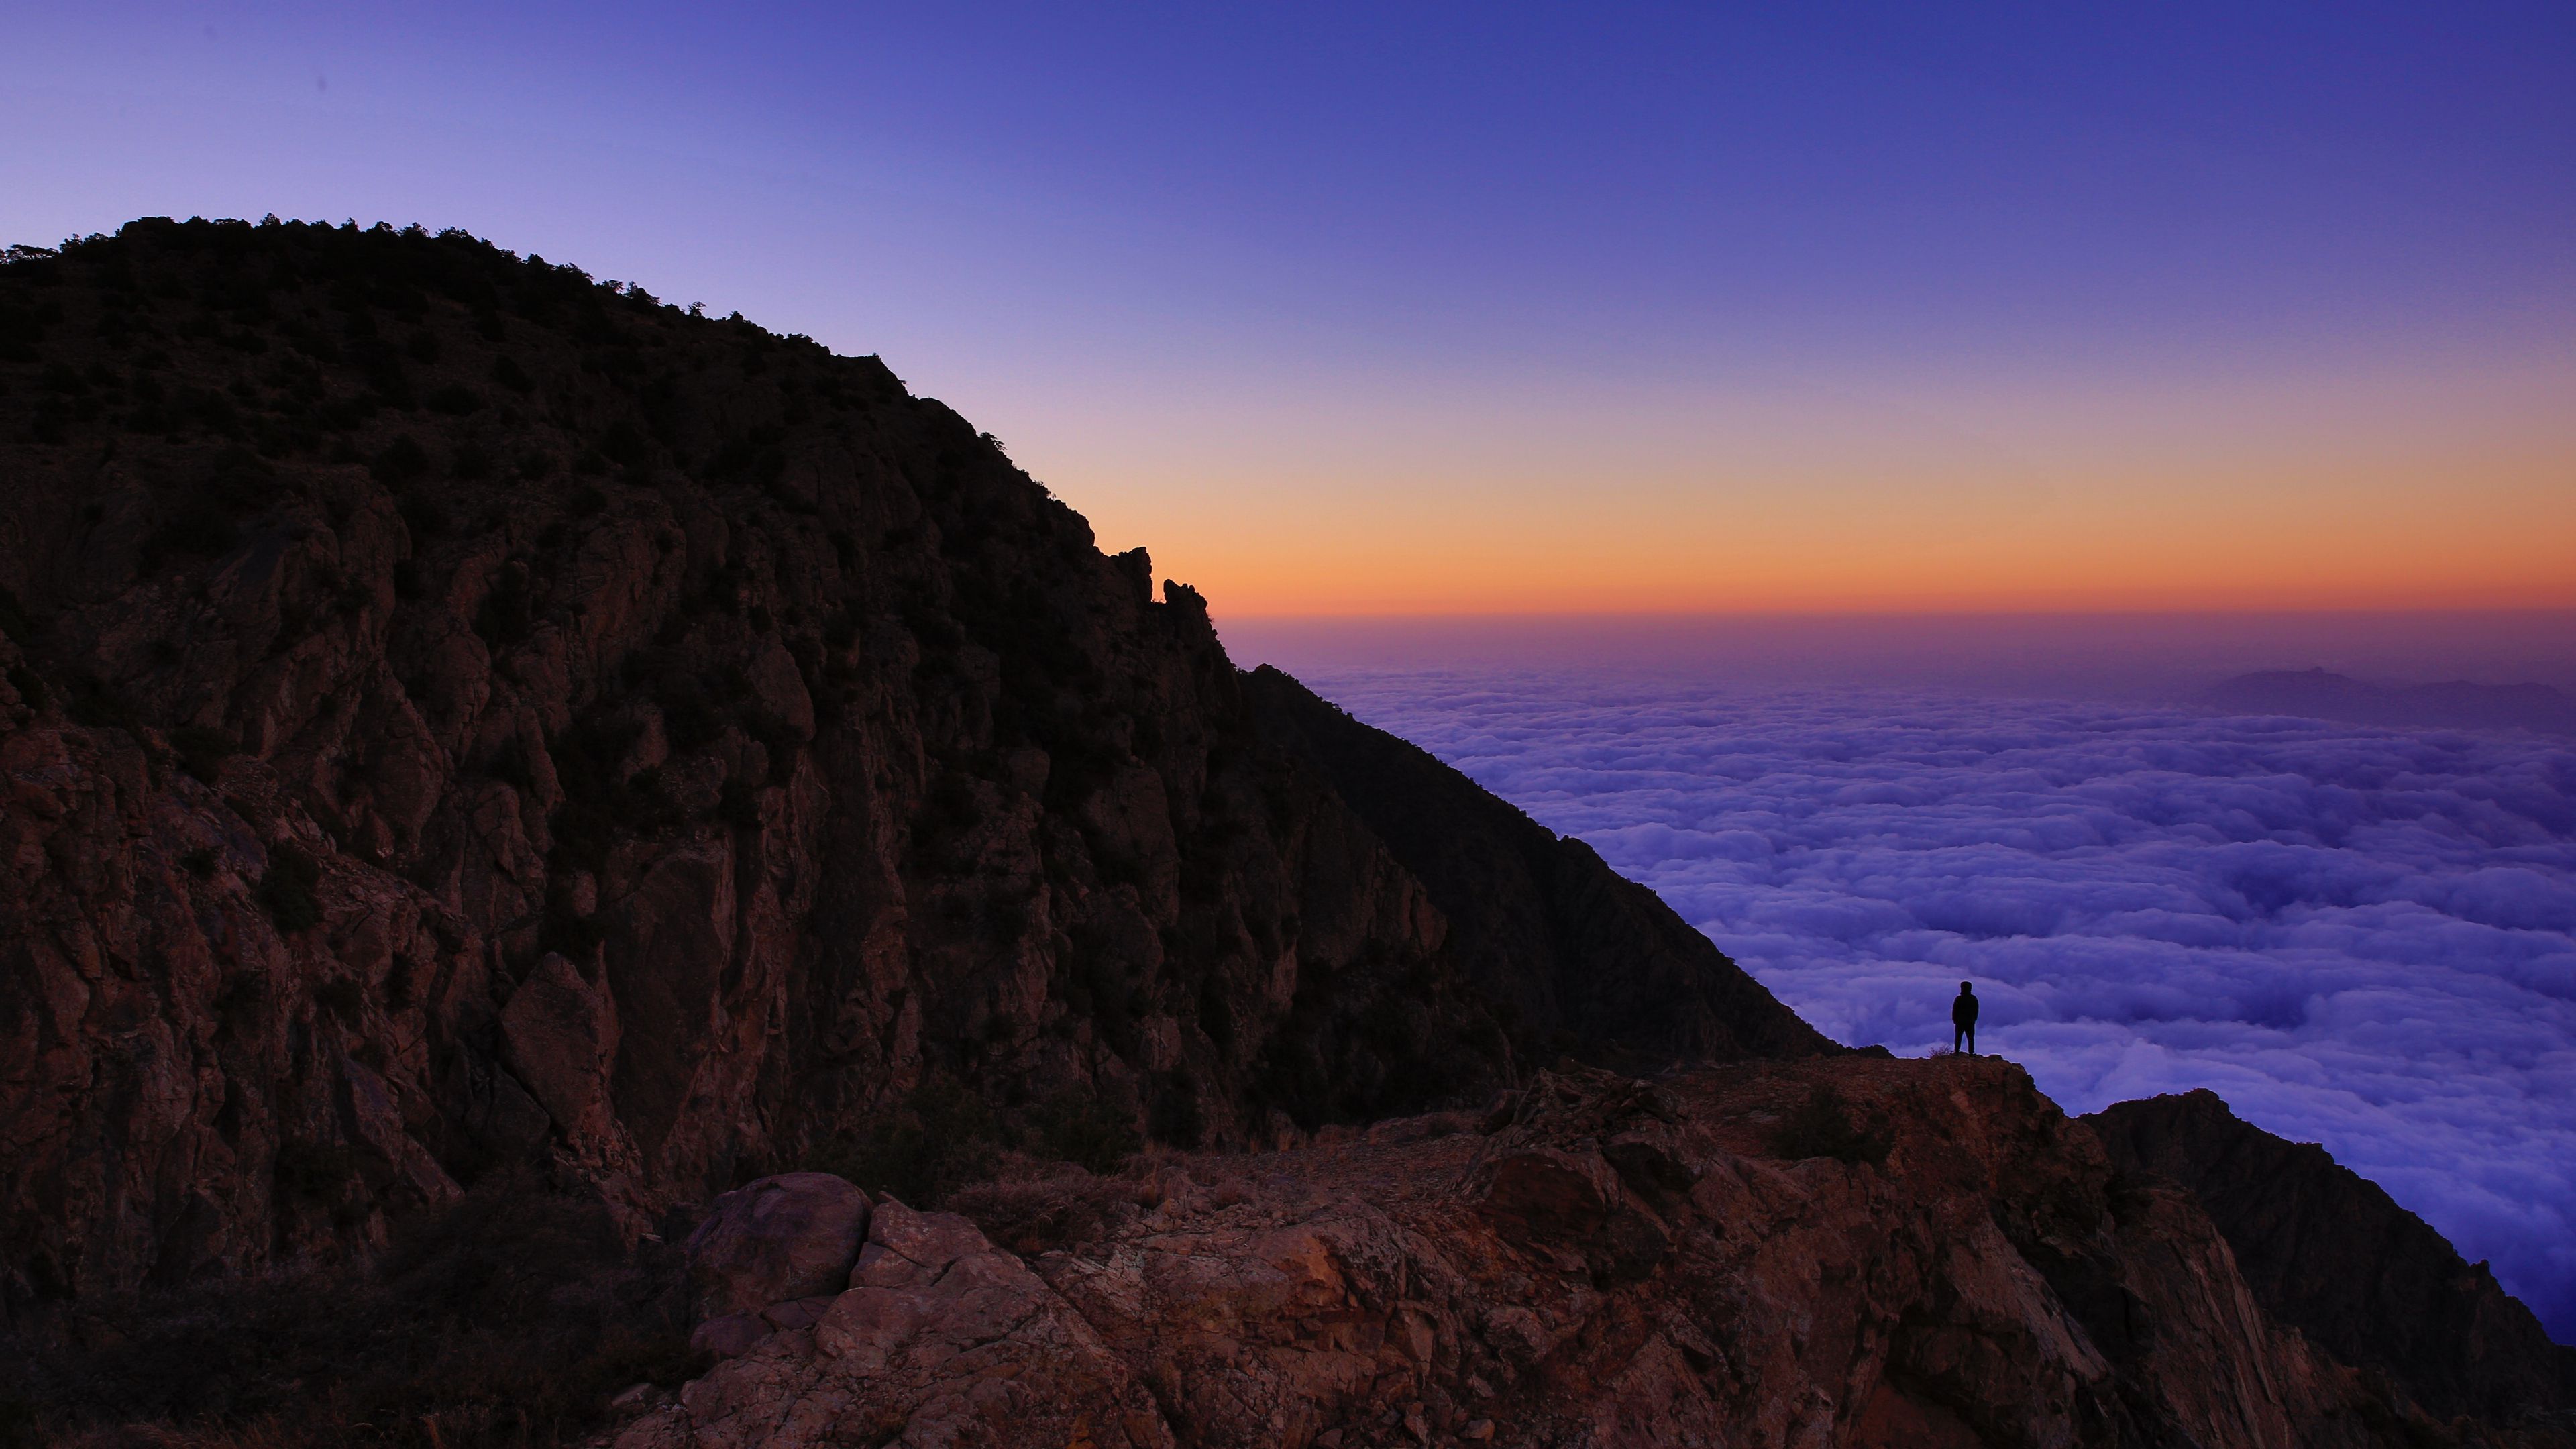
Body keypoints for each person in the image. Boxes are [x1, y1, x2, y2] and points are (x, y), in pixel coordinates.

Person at [1951, 981, 1979, 1055]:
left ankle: (1957, 1051)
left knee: (1959, 1037)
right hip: (1970, 1021)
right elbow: (1976, 1010)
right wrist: (1974, 1019)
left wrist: (1955, 1019)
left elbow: (1955, 1010)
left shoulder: (1959, 999)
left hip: (1960, 1021)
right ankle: (1971, 1052)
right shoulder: (1973, 998)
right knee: (1970, 1038)